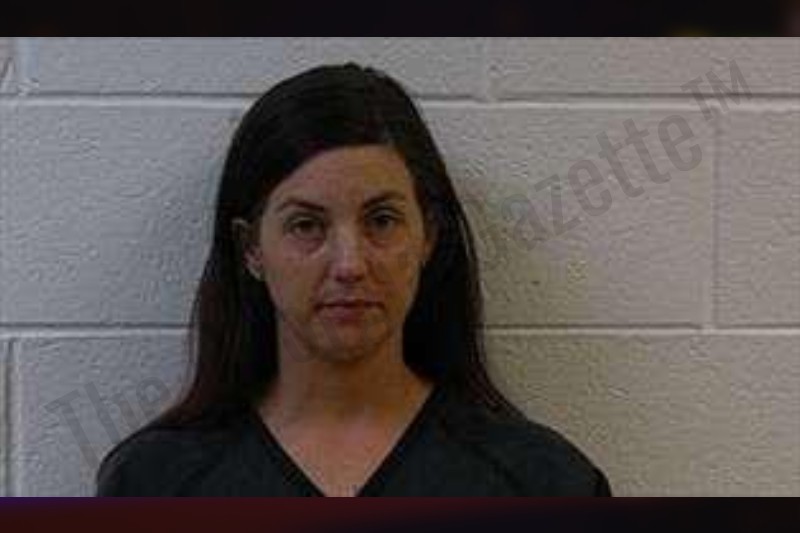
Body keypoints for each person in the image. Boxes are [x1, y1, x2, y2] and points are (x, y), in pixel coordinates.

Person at [94, 62, 611, 496]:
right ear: (250, 248)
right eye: (306, 225)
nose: (350, 264)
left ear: (428, 237)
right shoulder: (155, 483)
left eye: (381, 220)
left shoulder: (541, 481)